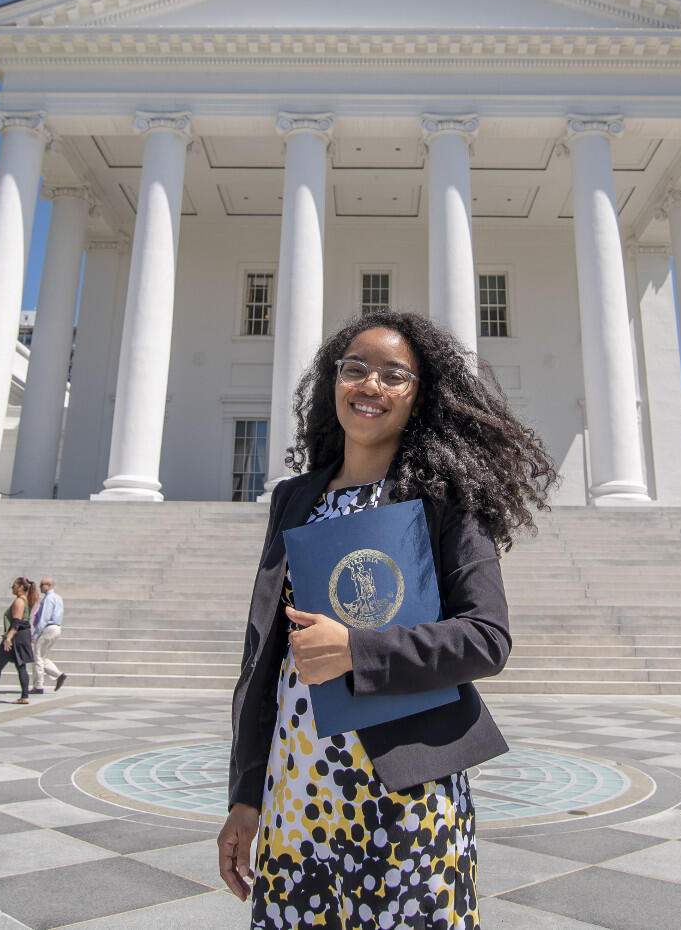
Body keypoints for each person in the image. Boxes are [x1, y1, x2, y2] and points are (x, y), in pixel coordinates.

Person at [219, 311, 558, 928]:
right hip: (297, 793)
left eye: (394, 375)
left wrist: (358, 649)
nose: (370, 385)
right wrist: (246, 794)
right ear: (333, 383)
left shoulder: (443, 498)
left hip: (407, 794)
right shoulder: (296, 498)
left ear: (419, 395)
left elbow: (488, 638)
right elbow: (264, 656)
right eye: (355, 369)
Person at [31, 576, 67, 691]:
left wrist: (35, 634)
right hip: (56, 628)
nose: (40, 587)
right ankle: (58, 675)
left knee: (37, 657)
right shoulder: (58, 598)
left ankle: (38, 685)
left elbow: (44, 618)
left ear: (49, 585)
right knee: (42, 656)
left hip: (48, 628)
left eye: (42, 585)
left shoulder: (48, 599)